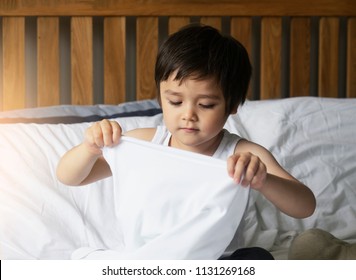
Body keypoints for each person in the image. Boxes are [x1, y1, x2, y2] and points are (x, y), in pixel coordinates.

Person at [57, 23, 316, 259]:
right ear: (160, 97)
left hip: (216, 260)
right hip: (149, 260)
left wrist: (263, 179)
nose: (189, 115)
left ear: (233, 105)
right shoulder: (146, 143)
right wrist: (89, 148)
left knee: (257, 258)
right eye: (175, 102)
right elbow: (70, 177)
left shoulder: (242, 153)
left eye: (206, 104)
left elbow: (305, 206)